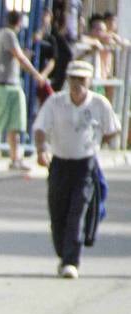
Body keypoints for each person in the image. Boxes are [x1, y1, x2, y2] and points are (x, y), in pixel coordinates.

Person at [33, 59, 121, 278]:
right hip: (60, 163)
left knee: (77, 212)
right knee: (58, 212)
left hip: (85, 164)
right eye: (73, 79)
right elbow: (40, 128)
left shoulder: (99, 104)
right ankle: (64, 253)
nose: (77, 84)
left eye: (81, 79)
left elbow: (112, 129)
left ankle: (71, 261)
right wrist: (42, 149)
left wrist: (98, 140)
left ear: (89, 81)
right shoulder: (55, 103)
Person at [0, 10, 46, 170]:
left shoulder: (1, 35)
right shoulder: (8, 34)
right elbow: (20, 57)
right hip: (3, 84)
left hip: (8, 84)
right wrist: (36, 74)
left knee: (14, 125)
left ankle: (15, 158)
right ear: (19, 22)